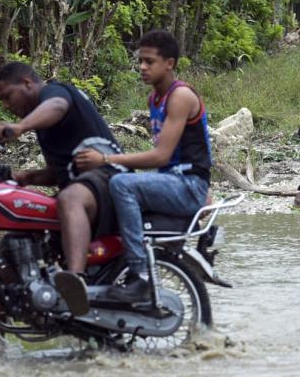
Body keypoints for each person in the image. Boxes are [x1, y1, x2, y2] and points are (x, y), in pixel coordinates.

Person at [74, 30, 212, 303]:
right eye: (140, 61)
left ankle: (140, 276)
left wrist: (105, 159)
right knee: (114, 184)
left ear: (169, 63)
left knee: (121, 183)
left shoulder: (180, 96)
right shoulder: (154, 99)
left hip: (188, 185)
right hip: (173, 181)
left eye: (149, 61)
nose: (142, 67)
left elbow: (161, 156)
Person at [0, 62, 120, 315]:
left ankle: (76, 279)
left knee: (69, 198)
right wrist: (25, 177)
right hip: (85, 189)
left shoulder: (55, 93)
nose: (6, 105)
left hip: (108, 179)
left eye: (7, 97)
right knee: (15, 244)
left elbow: (58, 106)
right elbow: (56, 173)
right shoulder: (44, 127)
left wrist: (20, 127)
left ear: (27, 83)